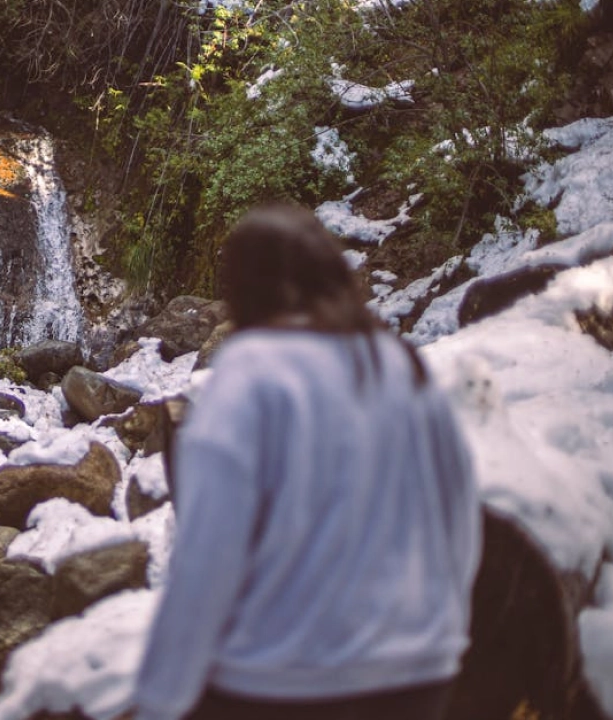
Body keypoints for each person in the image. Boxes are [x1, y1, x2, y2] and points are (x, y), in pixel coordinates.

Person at [133, 204, 481, 720]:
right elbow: (459, 517)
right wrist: (438, 631)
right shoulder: (399, 364)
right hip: (418, 674)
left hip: (280, 683)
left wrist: (159, 700)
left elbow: (207, 559)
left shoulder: (249, 376)